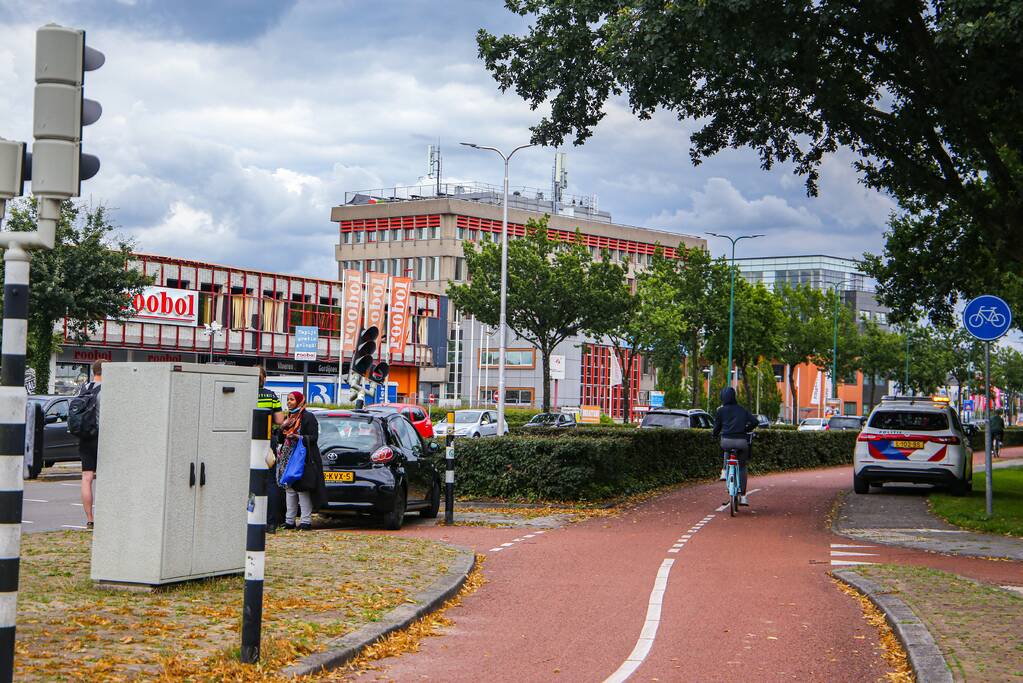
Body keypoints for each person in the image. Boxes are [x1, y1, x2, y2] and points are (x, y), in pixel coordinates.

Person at [275, 392, 326, 530]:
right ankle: (289, 521)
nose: (289, 402)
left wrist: (298, 437)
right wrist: (282, 428)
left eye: (292, 399)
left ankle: (305, 521)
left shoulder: (308, 417)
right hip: (288, 457)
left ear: (299, 401)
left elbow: (314, 437)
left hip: (302, 458)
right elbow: (280, 439)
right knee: (289, 488)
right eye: (288, 400)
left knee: (303, 489)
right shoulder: (288, 417)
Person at [712, 386, 759, 506]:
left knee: (726, 450)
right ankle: (743, 496)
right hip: (741, 442)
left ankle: (724, 471)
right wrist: (746, 429)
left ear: (722, 397)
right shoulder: (742, 410)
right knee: (742, 467)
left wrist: (714, 435)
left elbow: (716, 428)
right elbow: (755, 422)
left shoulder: (721, 411)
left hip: (726, 441)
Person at [257, 368, 286, 532]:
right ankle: (271, 523)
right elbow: (279, 420)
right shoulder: (271, 395)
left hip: (247, 441)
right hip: (267, 441)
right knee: (270, 481)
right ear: (265, 378)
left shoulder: (244, 391)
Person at [77, 359, 103, 529]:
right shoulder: (108, 389)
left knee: (87, 478)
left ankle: (90, 519)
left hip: (85, 437)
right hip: (102, 436)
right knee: (107, 477)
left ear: (93, 372)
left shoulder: (83, 388)